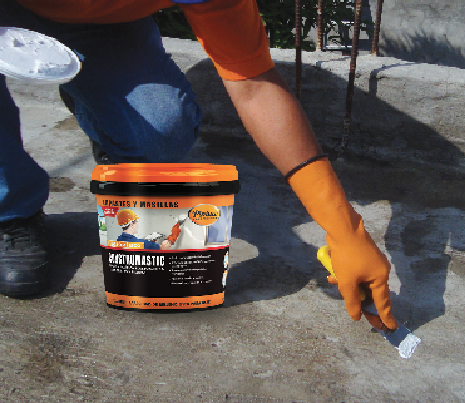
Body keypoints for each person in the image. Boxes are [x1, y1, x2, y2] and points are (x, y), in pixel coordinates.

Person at [0, 0, 397, 330]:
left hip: (102, 22)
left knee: (159, 130)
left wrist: (344, 228)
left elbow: (254, 87)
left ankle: (103, 115)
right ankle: (10, 210)